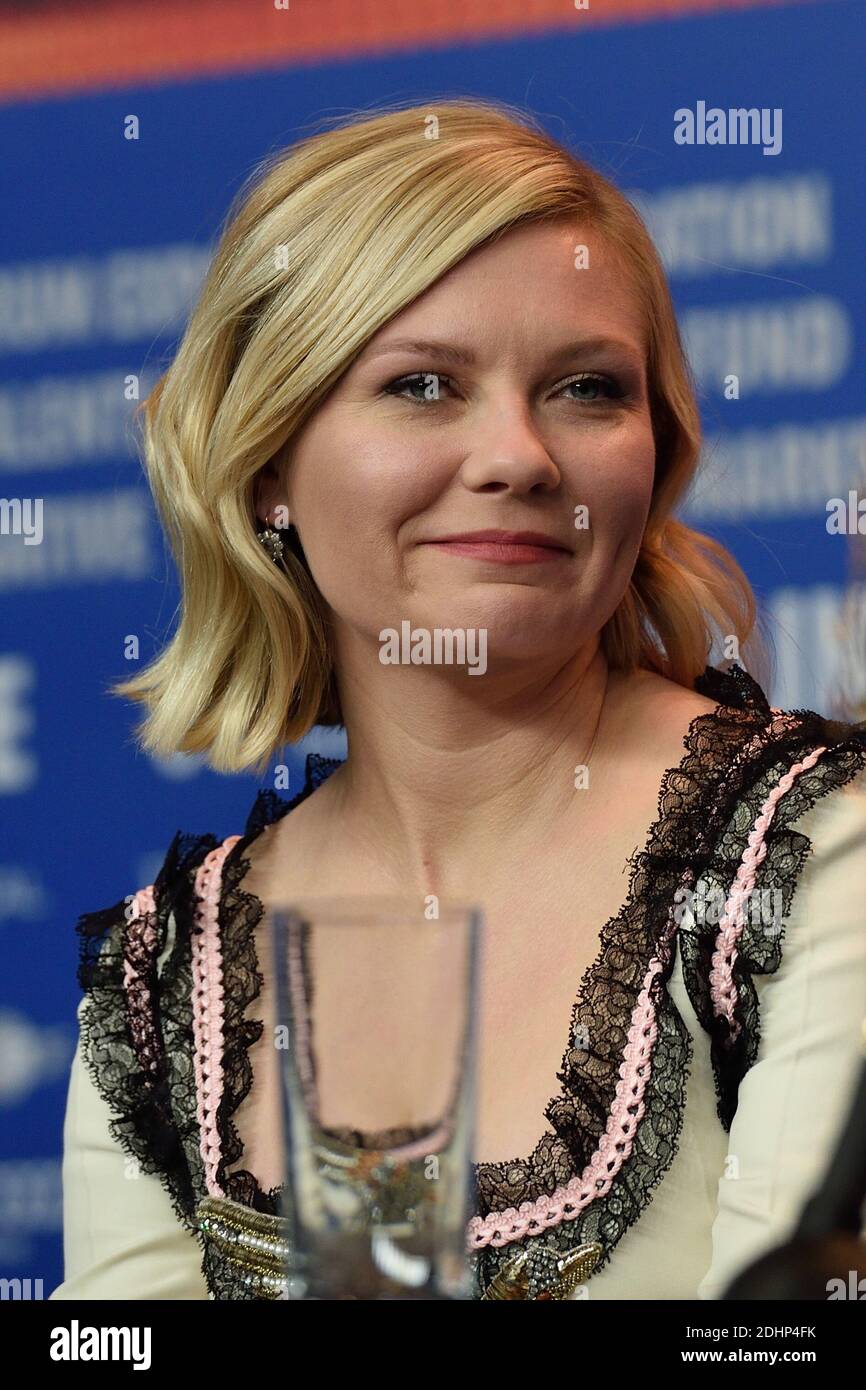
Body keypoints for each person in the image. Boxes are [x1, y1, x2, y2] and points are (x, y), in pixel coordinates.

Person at [49, 98, 866, 1301]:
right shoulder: (165, 974)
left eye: (586, 388)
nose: (520, 457)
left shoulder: (823, 852)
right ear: (266, 461)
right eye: (424, 385)